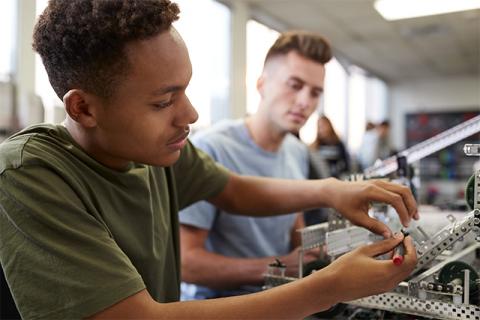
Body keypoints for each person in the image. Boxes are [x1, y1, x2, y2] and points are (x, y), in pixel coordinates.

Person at [0, 1, 418, 319]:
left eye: (184, 91)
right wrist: (327, 287)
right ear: (84, 109)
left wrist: (331, 191)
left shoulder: (150, 153)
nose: (191, 115)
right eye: (164, 101)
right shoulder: (29, 174)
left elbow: (233, 189)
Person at [179, 31, 330, 300]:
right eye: (294, 85)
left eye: (315, 92)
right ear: (261, 84)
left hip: (279, 300)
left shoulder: (297, 152)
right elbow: (186, 262)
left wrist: (317, 254)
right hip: (219, 306)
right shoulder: (211, 148)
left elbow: (294, 223)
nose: (305, 102)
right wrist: (279, 267)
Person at [309, 115, 350, 179]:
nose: (322, 129)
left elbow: (346, 163)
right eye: (319, 127)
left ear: (329, 126)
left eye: (324, 126)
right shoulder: (314, 146)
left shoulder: (338, 143)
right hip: (322, 180)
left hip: (338, 179)